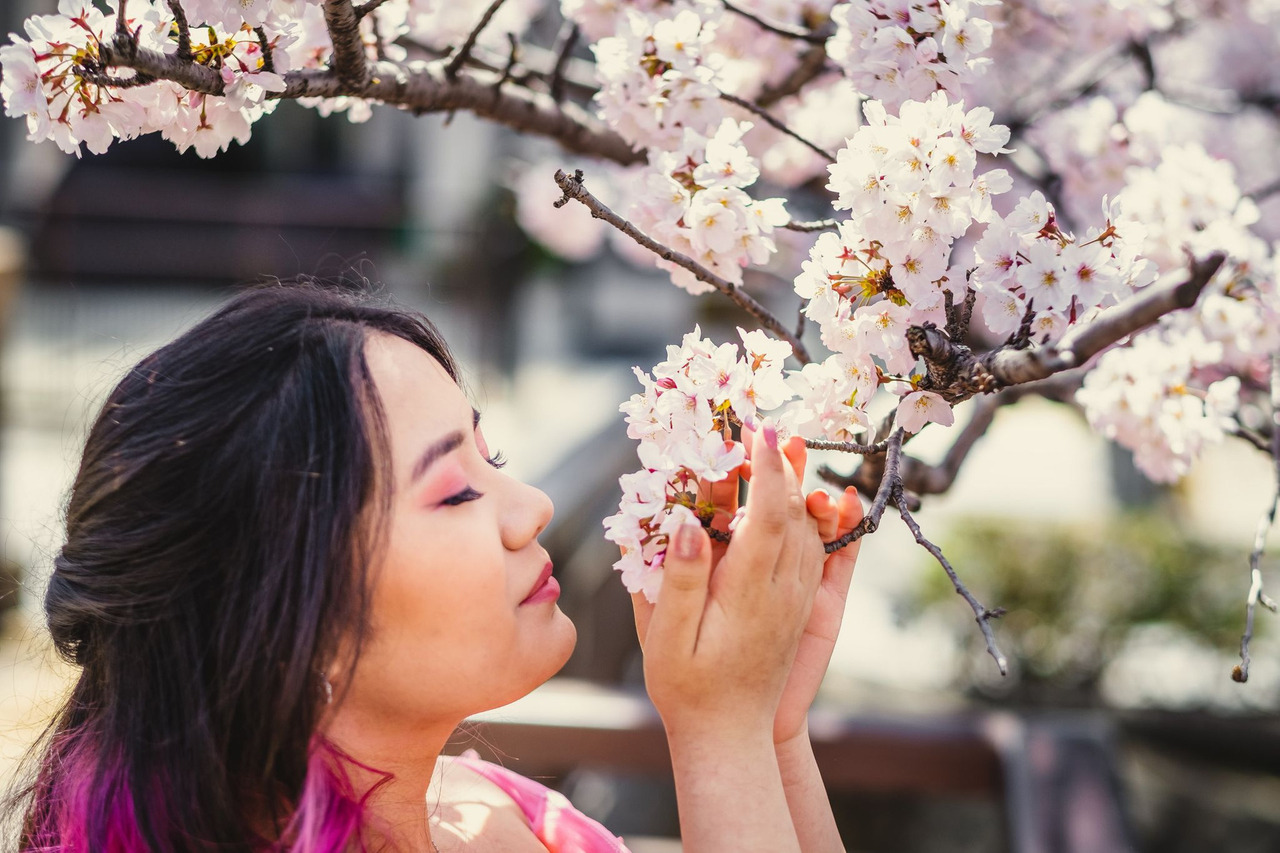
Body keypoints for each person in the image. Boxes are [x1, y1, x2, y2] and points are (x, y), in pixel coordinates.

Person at [6, 281, 864, 852]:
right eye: (457, 491)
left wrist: (769, 727)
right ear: (293, 617)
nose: (530, 509)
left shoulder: (506, 818)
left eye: (496, 455)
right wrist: (720, 734)